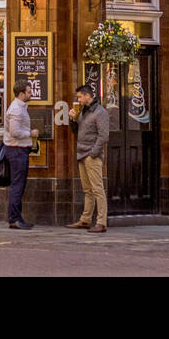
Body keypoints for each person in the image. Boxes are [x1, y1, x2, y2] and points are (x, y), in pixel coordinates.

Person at [66, 84, 109, 233]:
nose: (78, 100)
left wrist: (93, 153)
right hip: (81, 154)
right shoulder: (82, 112)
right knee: (87, 190)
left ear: (87, 96)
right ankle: (85, 220)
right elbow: (76, 131)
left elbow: (104, 135)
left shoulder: (100, 112)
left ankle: (101, 222)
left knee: (98, 189)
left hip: (92, 156)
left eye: (79, 97)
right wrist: (72, 119)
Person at [3, 79, 39, 230]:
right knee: (17, 185)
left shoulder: (21, 107)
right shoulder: (16, 109)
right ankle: (14, 219)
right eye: (29, 92)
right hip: (16, 150)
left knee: (19, 184)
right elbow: (15, 132)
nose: (31, 94)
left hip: (19, 149)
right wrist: (31, 133)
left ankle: (17, 217)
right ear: (21, 93)